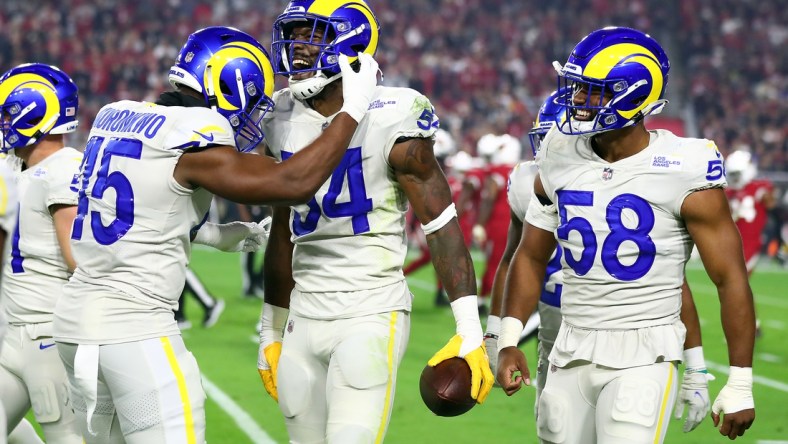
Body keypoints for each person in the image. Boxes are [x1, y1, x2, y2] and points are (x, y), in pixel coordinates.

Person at [51, 26, 380, 444]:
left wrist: (229, 235)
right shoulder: (195, 131)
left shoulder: (115, 116)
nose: (252, 114)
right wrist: (353, 107)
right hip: (134, 334)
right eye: (253, 98)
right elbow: (293, 183)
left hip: (73, 330)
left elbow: (145, 218)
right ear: (229, 79)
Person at [496, 27, 756, 443]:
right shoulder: (558, 150)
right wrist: (508, 338)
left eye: (591, 91)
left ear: (631, 95)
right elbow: (529, 255)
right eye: (577, 88)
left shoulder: (684, 165)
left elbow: (729, 278)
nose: (576, 100)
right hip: (570, 347)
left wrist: (737, 381)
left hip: (646, 354)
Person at [258, 2, 494, 442]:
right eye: (294, 34)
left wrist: (469, 329)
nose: (297, 48)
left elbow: (441, 226)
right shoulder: (279, 114)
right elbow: (283, 229)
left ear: (350, 40)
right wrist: (270, 325)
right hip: (304, 311)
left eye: (312, 34)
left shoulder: (394, 113)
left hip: (369, 307)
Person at [485, 88, 714, 435]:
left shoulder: (631, 177)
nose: (553, 147)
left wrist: (696, 367)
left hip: (629, 335)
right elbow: (517, 259)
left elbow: (673, 283)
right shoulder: (528, 183)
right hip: (558, 338)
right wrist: (498, 334)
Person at [0, 63, 84, 443]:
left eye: (6, 111)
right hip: (11, 338)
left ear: (34, 110)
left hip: (48, 339)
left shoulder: (64, 169)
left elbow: (79, 260)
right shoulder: (17, 166)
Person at [723, 150, 777, 336]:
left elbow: (770, 202)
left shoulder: (758, 187)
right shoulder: (728, 191)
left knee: (738, 285)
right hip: (732, 245)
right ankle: (754, 324)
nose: (735, 178)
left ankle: (749, 326)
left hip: (750, 244)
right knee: (739, 286)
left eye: (738, 173)